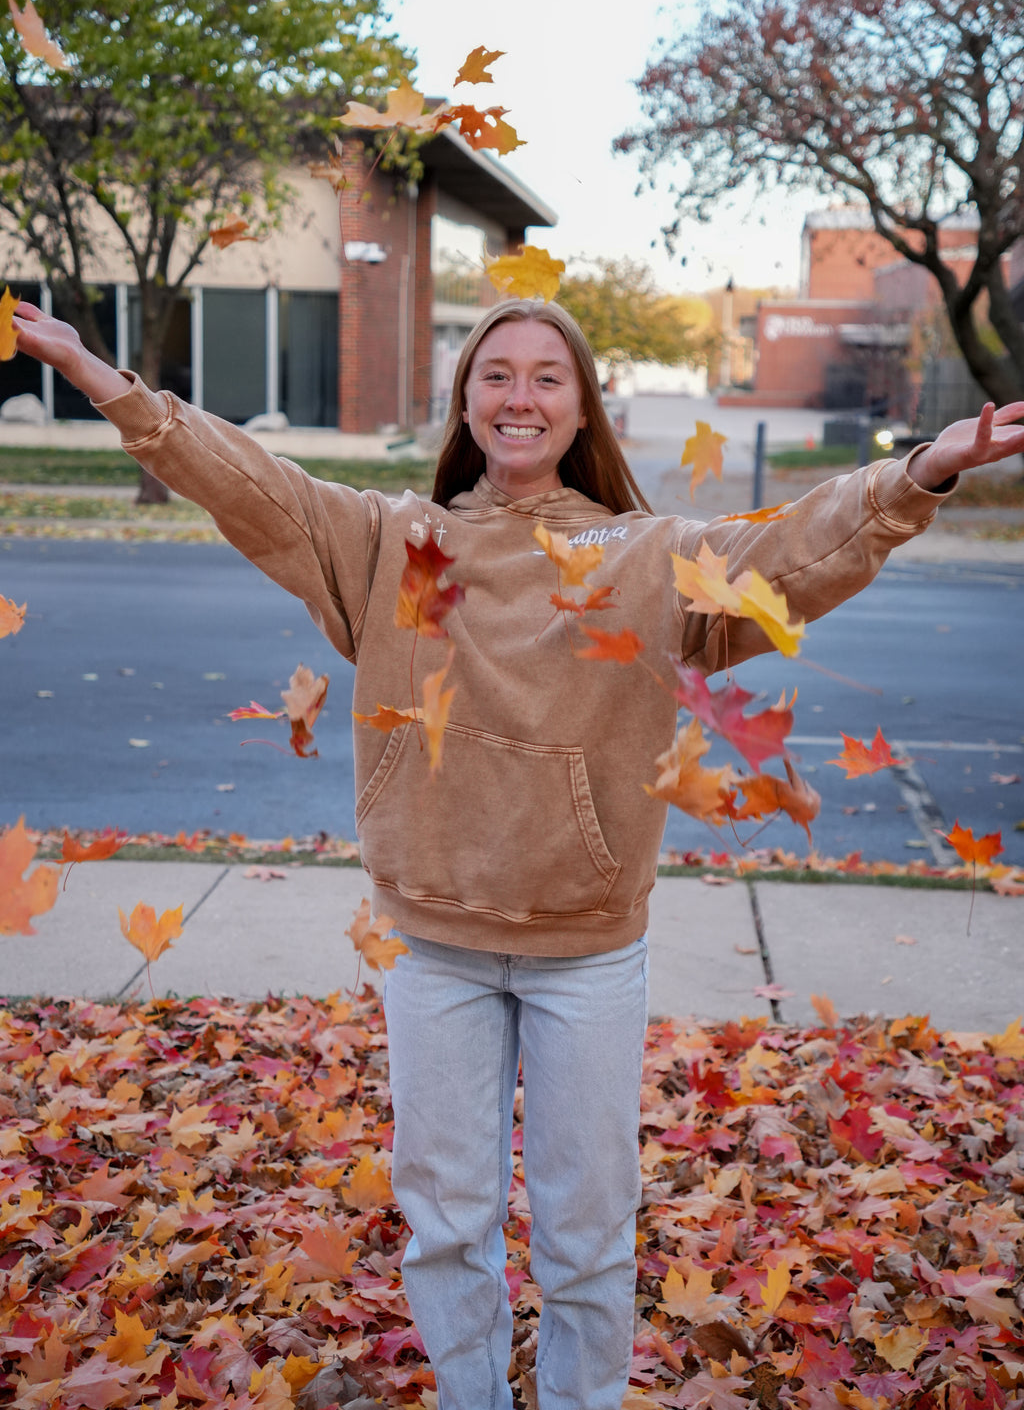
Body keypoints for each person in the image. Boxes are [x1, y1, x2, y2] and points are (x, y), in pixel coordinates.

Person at [11, 296, 1024, 1409]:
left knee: (587, 1236)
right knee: (447, 1225)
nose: (521, 395)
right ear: (465, 399)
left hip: (584, 952)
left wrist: (916, 475)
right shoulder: (401, 545)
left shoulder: (647, 556)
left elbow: (789, 554)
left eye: (548, 375)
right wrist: (107, 382)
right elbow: (255, 489)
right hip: (431, 944)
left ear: (581, 404)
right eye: (497, 373)